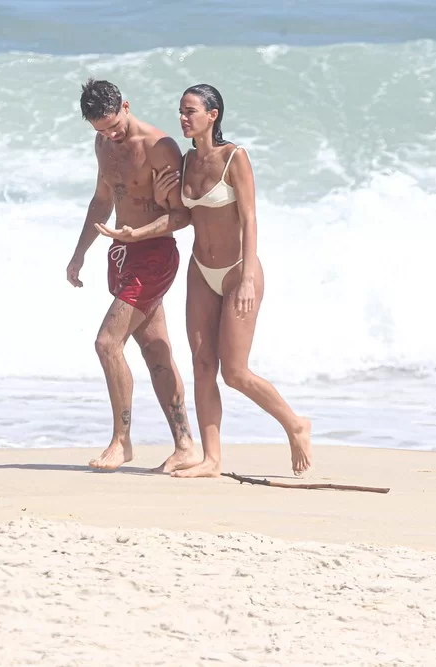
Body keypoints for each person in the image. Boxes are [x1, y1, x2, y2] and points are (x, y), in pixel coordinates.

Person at [95, 83, 313, 478]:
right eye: (180, 110)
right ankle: (210, 459)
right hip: (200, 268)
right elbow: (179, 215)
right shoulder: (186, 162)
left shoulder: (235, 158)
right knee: (201, 365)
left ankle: (295, 424)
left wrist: (247, 277)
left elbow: (249, 220)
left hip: (236, 271)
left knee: (235, 372)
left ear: (212, 115)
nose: (183, 117)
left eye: (191, 111)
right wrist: (160, 203)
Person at [67, 78, 199, 473]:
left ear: (126, 105)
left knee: (107, 343)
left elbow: (181, 217)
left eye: (114, 125)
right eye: (101, 130)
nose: (111, 135)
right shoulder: (103, 145)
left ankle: (121, 442)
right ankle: (186, 445)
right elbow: (103, 200)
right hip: (121, 254)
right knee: (156, 351)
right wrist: (79, 254)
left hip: (154, 255)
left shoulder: (159, 147)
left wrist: (138, 233)